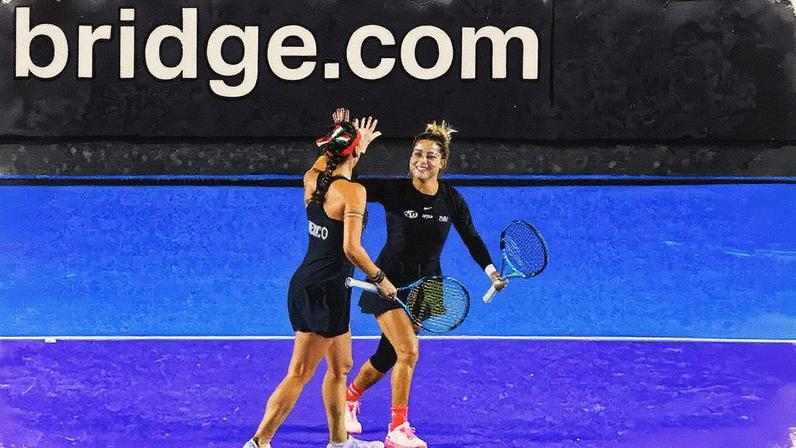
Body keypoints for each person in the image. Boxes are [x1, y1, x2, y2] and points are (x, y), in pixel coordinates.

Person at [318, 109, 508, 448]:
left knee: (389, 356)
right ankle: (397, 428)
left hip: (428, 286)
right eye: (417, 154)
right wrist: (356, 151)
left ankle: (350, 398)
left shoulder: (451, 198)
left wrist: (491, 272)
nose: (422, 160)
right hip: (387, 283)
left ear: (442, 163)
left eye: (430, 156)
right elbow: (347, 186)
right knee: (409, 351)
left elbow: (472, 237)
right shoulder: (395, 192)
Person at [243, 117, 397, 448]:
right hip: (326, 292)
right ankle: (259, 442)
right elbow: (352, 249)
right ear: (352, 156)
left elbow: (335, 162)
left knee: (342, 366)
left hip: (311, 285)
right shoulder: (354, 192)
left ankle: (340, 442)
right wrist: (380, 278)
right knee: (300, 372)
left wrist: (356, 147)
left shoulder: (312, 179)